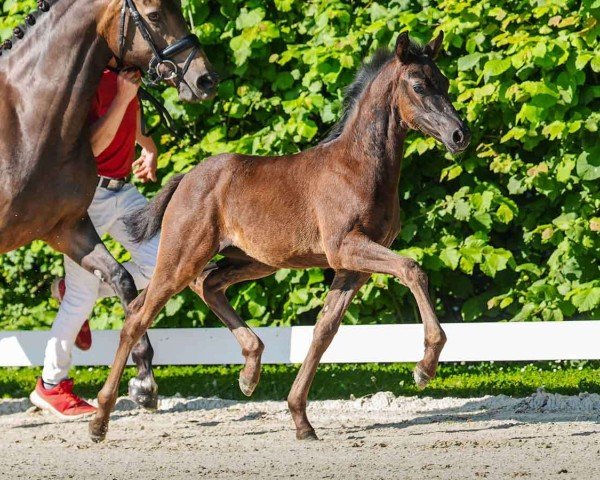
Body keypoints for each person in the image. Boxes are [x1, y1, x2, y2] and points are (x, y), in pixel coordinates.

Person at [29, 64, 160, 418]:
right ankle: (51, 385)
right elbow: (91, 144)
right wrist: (122, 96)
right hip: (89, 196)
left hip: (124, 191)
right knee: (81, 296)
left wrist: (148, 149)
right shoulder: (86, 77)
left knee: (164, 264)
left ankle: (68, 293)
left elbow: (133, 122)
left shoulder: (125, 74)